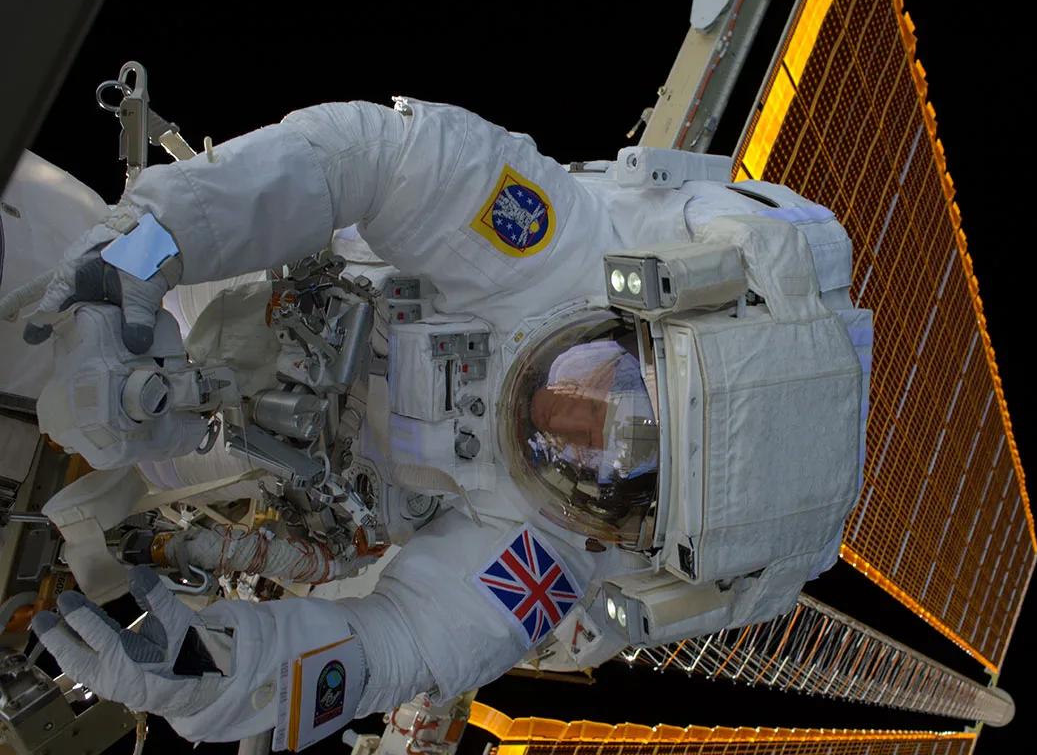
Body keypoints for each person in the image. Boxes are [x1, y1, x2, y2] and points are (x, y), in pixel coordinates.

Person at [15, 99, 870, 743]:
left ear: (632, 533)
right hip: (194, 295)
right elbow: (372, 159)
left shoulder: (549, 555)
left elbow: (399, 648)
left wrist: (212, 672)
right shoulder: (554, 254)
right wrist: (140, 253)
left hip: (220, 475)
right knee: (37, 261)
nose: (570, 421)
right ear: (643, 318)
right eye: (616, 381)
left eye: (615, 472)